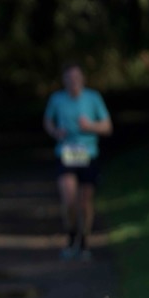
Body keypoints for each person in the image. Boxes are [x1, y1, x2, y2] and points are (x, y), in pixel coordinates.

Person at [43, 63, 112, 260]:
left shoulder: (93, 98)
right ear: (64, 80)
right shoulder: (57, 99)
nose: (73, 81)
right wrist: (55, 131)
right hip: (66, 153)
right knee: (69, 199)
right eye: (69, 78)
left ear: (83, 79)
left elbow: (107, 127)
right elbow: (47, 121)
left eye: (76, 77)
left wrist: (90, 126)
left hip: (88, 154)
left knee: (85, 201)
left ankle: (84, 241)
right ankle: (71, 236)